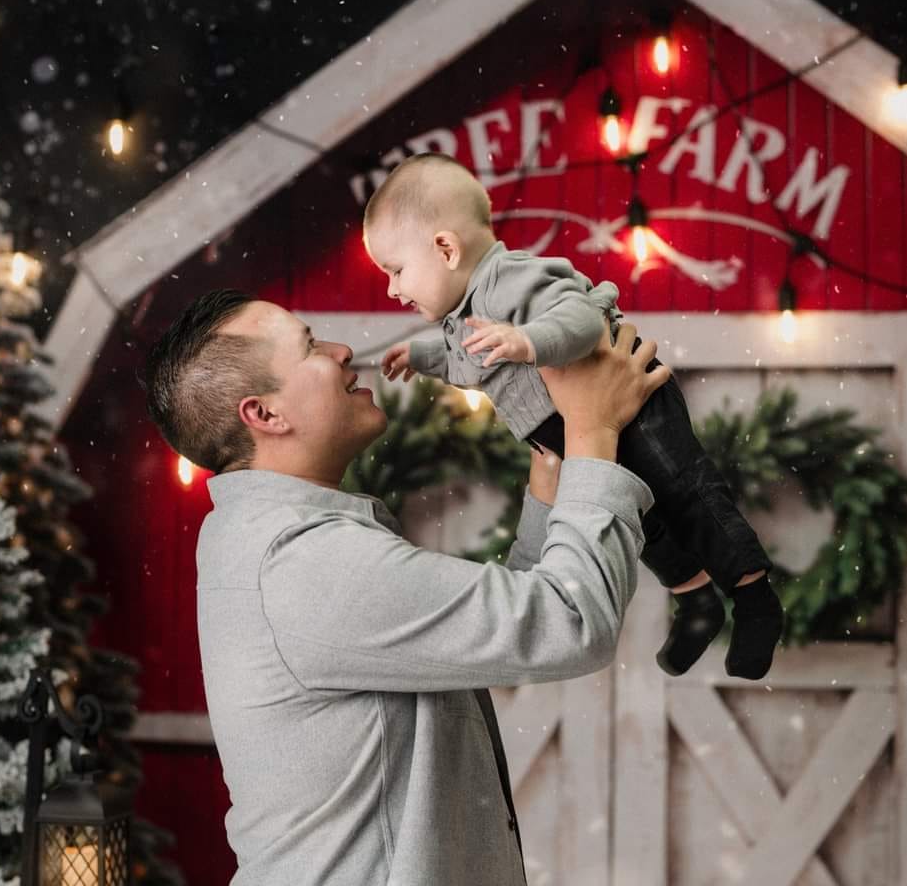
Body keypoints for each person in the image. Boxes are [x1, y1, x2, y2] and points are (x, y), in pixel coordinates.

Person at [142, 289, 668, 886]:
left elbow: (491, 630)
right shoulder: (305, 562)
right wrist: (595, 428)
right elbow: (569, 623)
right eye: (311, 347)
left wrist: (555, 469)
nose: (342, 352)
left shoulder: (270, 539)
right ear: (264, 414)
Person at [362, 152, 784, 679]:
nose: (392, 289)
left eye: (396, 270)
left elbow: (581, 318)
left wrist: (527, 339)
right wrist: (423, 357)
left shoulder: (507, 279)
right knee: (640, 520)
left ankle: (755, 598)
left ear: (445, 248)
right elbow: (464, 358)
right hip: (578, 430)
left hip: (634, 406)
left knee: (684, 492)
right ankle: (697, 601)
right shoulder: (460, 313)